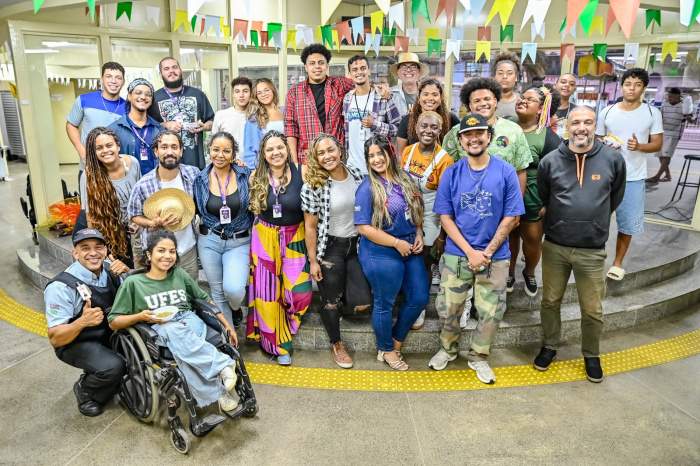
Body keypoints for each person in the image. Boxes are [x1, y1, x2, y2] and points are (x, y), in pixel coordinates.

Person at [427, 114, 523, 384]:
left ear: (489, 137)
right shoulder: (452, 173)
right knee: (448, 307)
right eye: (467, 134)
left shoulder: (505, 171)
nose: (474, 138)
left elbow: (512, 217)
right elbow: (445, 217)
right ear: (460, 140)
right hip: (457, 254)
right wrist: (470, 252)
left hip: (496, 256)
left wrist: (487, 253)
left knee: (492, 311)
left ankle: (479, 356)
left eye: (479, 133)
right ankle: (448, 350)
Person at [535, 105, 626, 383]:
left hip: (592, 249)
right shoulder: (550, 161)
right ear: (568, 126)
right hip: (555, 246)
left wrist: (594, 222)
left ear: (595, 126)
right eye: (576, 122)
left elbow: (615, 197)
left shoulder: (613, 159)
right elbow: (545, 196)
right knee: (550, 301)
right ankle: (549, 346)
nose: (581, 128)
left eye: (588, 122)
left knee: (592, 308)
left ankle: (591, 354)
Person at [108, 229, 240, 412]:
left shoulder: (179, 274)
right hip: (159, 328)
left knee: (181, 346)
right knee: (174, 333)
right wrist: (140, 316)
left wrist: (227, 326)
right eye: (161, 250)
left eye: (172, 251)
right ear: (149, 254)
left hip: (188, 320)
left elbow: (204, 298)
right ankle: (222, 367)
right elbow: (113, 321)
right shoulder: (133, 283)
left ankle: (218, 389)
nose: (168, 256)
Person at [355, 135, 429, 371]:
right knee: (384, 303)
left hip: (409, 246)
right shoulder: (367, 188)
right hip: (381, 250)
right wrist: (397, 243)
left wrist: (419, 233)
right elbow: (363, 227)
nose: (376, 159)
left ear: (390, 153)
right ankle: (386, 349)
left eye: (380, 153)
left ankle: (396, 341)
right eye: (371, 156)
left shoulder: (405, 178)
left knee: (419, 297)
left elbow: (417, 207)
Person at [301, 134, 371, 369]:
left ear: (340, 149)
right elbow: (310, 228)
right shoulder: (313, 186)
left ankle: (338, 296)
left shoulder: (357, 175)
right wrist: (313, 261)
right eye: (320, 153)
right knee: (331, 301)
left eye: (330, 150)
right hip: (330, 248)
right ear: (315, 158)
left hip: (356, 246)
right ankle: (336, 343)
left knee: (362, 301)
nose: (327, 156)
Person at [45, 228, 129, 417]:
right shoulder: (61, 287)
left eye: (98, 247)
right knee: (114, 367)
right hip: (75, 342)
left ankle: (103, 371)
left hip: (108, 333)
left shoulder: (112, 269)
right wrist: (81, 322)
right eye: (85, 248)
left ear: (105, 250)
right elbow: (55, 339)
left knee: (142, 350)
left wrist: (129, 274)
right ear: (75, 253)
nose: (93, 253)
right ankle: (85, 390)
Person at [247, 130, 312, 365]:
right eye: (270, 149)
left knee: (300, 294)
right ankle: (277, 345)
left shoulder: (303, 171)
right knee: (267, 295)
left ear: (287, 149)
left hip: (295, 236)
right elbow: (255, 209)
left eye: (279, 147)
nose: (276, 153)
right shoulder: (256, 176)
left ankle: (286, 324)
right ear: (263, 154)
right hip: (264, 237)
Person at [595, 68, 663, 281]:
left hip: (633, 176)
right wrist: (605, 143)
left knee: (627, 222)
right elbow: (597, 138)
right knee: (596, 219)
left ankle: (618, 262)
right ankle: (595, 258)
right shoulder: (607, 111)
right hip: (605, 175)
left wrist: (640, 146)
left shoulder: (652, 113)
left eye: (637, 85)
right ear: (621, 86)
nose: (632, 88)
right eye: (628, 84)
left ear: (644, 88)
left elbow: (657, 144)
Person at [284, 44, 390, 163]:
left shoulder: (340, 84)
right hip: (308, 158)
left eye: (321, 63)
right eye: (312, 63)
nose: (317, 66)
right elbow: (290, 129)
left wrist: (381, 86)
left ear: (327, 65)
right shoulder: (294, 93)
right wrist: (294, 164)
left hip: (336, 156)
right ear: (306, 67)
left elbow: (361, 82)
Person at [401, 111, 454, 330]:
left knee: (423, 260)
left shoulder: (445, 160)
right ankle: (407, 297)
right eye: (424, 126)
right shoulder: (408, 151)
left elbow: (446, 200)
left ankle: (419, 306)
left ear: (440, 131)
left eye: (433, 127)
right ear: (416, 128)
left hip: (431, 215)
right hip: (406, 212)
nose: (428, 131)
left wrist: (441, 234)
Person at [194, 132, 252, 329]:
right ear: (209, 151)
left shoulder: (245, 174)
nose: (220, 155)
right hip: (209, 241)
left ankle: (235, 308)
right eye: (216, 150)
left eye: (226, 151)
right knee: (218, 292)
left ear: (233, 153)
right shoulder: (200, 178)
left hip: (239, 241)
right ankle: (229, 339)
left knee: (234, 290)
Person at [506, 87, 562, 296]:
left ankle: (529, 272)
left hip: (532, 197)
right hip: (505, 194)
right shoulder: (505, 125)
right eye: (522, 97)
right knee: (508, 237)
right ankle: (509, 273)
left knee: (532, 240)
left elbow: (558, 174)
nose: (522, 100)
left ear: (541, 109)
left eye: (530, 99)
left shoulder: (548, 138)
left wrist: (549, 203)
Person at [128, 130, 200, 281]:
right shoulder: (142, 185)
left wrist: (237, 163)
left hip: (188, 251)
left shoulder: (193, 174)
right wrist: (151, 223)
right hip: (158, 253)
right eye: (164, 147)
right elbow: (134, 215)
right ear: (156, 151)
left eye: (174, 147)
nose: (170, 152)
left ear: (181, 151)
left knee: (190, 291)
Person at [79, 127, 142, 268]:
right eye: (99, 148)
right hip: (106, 231)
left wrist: (137, 222)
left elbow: (139, 198)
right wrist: (100, 247)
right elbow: (90, 217)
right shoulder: (88, 176)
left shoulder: (133, 163)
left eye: (109, 145)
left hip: (130, 231)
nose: (105, 151)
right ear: (94, 152)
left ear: (118, 146)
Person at [148, 57, 215, 169]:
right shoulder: (154, 98)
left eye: (174, 67)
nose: (171, 71)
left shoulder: (198, 94)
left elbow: (212, 121)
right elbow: (148, 126)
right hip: (167, 164)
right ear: (160, 74)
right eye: (166, 69)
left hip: (195, 164)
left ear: (180, 70)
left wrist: (204, 126)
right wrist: (165, 125)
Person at [66, 62, 127, 183]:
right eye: (109, 76)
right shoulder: (84, 100)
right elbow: (71, 125)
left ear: (123, 82)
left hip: (116, 169)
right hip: (89, 168)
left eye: (118, 78)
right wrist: (80, 148)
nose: (113, 81)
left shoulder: (128, 108)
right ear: (102, 79)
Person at [343, 55, 402, 175]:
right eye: (355, 69)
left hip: (377, 166)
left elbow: (397, 129)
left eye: (363, 68)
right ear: (349, 74)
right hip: (352, 168)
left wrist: (374, 124)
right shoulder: (347, 98)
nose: (359, 72)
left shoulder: (382, 96)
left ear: (369, 71)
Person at [108, 78, 164, 175]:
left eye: (148, 94)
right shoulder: (113, 130)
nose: (143, 97)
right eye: (138, 93)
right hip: (127, 182)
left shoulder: (159, 129)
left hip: (154, 182)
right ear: (129, 96)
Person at [395, 78, 460, 156]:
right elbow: (401, 155)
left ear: (440, 98)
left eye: (435, 95)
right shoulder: (407, 120)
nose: (430, 98)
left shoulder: (451, 119)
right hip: (414, 164)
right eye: (425, 94)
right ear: (419, 97)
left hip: (445, 163)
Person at [647, 88, 692, 183]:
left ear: (677, 96)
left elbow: (691, 120)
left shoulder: (684, 107)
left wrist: (689, 118)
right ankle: (668, 175)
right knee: (660, 155)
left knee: (667, 156)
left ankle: (657, 176)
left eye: (671, 96)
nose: (669, 98)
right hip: (663, 132)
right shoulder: (665, 105)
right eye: (668, 96)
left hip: (674, 134)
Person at [243, 78, 285, 167]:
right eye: (259, 93)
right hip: (265, 167)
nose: (264, 94)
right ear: (256, 97)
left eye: (266, 90)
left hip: (287, 165)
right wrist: (256, 171)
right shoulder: (253, 119)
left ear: (273, 90)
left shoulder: (285, 112)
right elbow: (249, 151)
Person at [211, 76, 252, 162]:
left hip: (253, 164)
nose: (241, 95)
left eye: (245, 91)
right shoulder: (221, 115)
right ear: (233, 94)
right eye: (237, 91)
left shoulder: (257, 116)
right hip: (228, 164)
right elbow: (213, 144)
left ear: (251, 94)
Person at [493, 52, 522, 118]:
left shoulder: (522, 102)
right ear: (494, 76)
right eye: (500, 73)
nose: (504, 76)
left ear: (516, 77)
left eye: (509, 73)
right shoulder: (486, 101)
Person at [550, 73, 578, 138]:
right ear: (555, 85)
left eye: (571, 84)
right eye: (563, 82)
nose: (567, 85)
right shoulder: (544, 108)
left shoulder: (577, 111)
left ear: (574, 90)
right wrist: (547, 124)